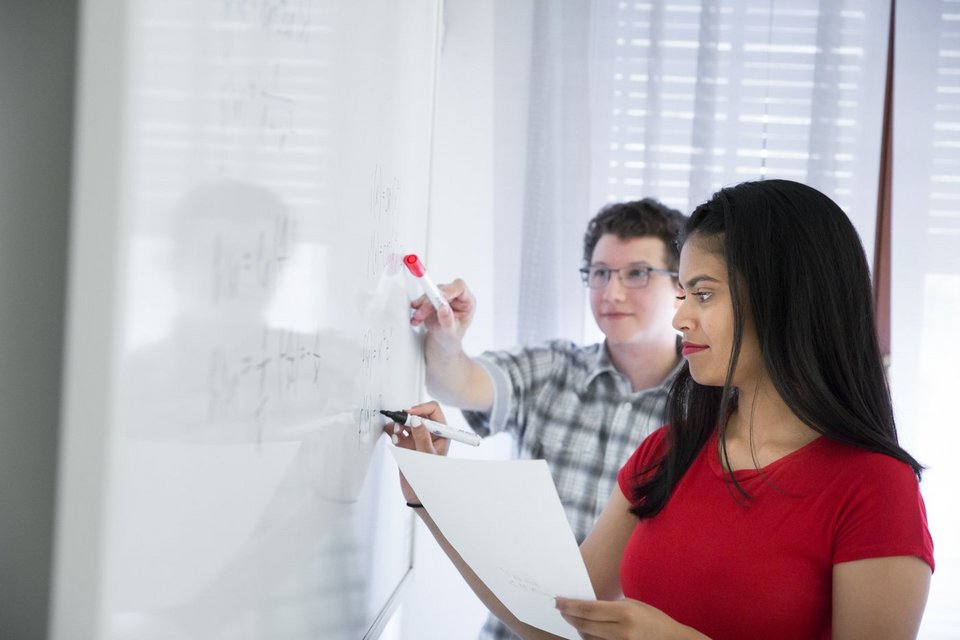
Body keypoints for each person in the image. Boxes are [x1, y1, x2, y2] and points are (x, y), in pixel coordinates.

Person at [391, 179, 934, 639]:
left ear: (784, 299)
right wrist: (433, 497)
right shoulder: (669, 451)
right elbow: (556, 617)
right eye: (684, 296)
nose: (681, 320)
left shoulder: (874, 488)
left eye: (701, 294)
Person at [409, 199, 687, 639]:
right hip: (519, 629)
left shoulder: (709, 408)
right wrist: (446, 340)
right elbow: (456, 382)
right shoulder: (554, 366)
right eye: (599, 273)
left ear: (681, 287)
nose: (611, 293)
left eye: (636, 273)